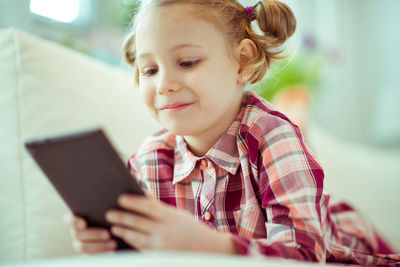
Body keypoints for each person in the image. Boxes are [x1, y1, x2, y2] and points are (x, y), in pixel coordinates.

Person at [63, 0, 400, 265]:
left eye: (187, 62)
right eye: (149, 70)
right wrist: (109, 245)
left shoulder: (273, 136)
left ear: (242, 62)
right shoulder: (148, 162)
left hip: (344, 249)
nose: (163, 84)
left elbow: (306, 256)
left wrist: (208, 245)